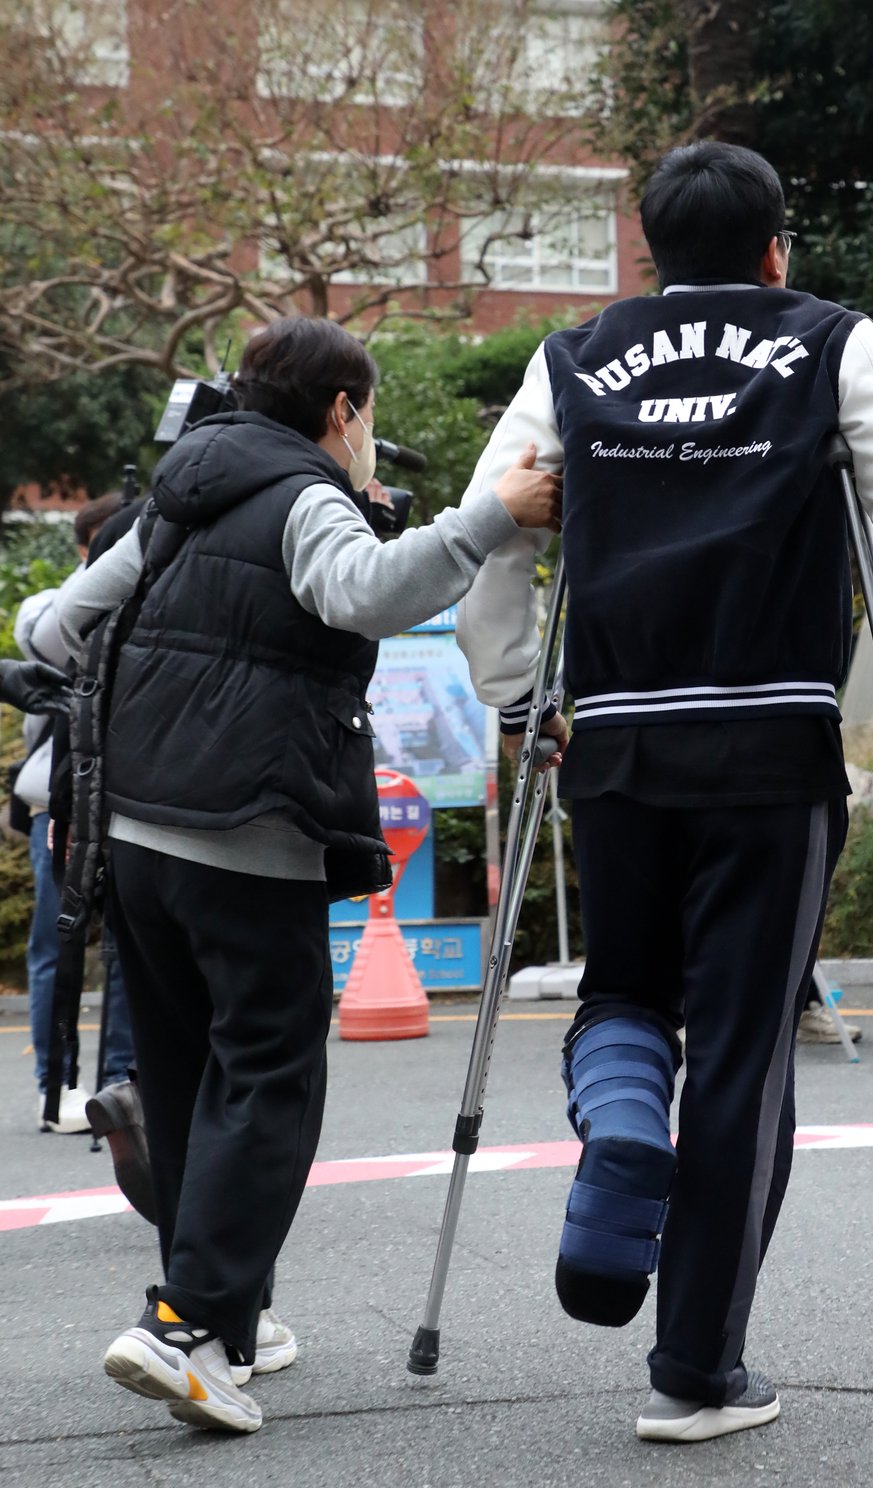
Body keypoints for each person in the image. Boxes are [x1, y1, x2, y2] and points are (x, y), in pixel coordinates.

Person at [457, 140, 873, 1444]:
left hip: (619, 745)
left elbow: (493, 522)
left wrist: (519, 697)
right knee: (744, 1049)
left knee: (627, 989)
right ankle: (695, 1367)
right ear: (774, 250)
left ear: (645, 253)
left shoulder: (572, 357)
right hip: (769, 749)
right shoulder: (830, 341)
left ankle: (623, 1122)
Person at [55, 315, 561, 1435]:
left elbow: (58, 622)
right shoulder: (306, 496)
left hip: (138, 834)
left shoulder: (178, 498)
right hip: (250, 831)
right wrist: (489, 517)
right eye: (366, 413)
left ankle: (233, 1323)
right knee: (272, 1077)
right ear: (342, 411)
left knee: (188, 1080)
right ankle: (185, 1324)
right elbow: (367, 595)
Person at [14, 493, 133, 1131]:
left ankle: (117, 1080)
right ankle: (53, 1084)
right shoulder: (51, 606)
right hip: (55, 802)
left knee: (123, 947)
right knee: (54, 945)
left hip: (118, 799)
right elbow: (44, 640)